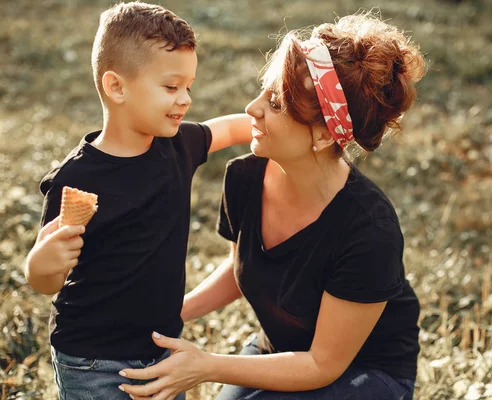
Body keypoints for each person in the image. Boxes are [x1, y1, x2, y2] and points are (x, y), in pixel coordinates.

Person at [119, 11, 427, 400]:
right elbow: (241, 269)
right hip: (282, 351)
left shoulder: (369, 230)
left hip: (365, 374)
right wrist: (171, 311)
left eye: (277, 103)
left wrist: (207, 365)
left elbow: (322, 364)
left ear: (322, 134)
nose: (252, 107)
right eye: (263, 91)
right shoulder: (245, 177)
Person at [24, 2, 252, 399]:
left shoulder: (179, 146)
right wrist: (39, 266)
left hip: (161, 349)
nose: (185, 100)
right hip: (93, 360)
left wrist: (281, 124)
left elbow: (230, 128)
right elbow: (47, 279)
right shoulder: (77, 178)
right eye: (170, 87)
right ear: (116, 87)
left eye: (188, 87)